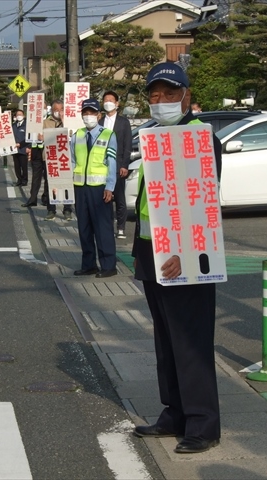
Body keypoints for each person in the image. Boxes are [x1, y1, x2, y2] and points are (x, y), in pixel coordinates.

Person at [131, 62, 223, 454]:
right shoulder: (150, 135)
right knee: (166, 339)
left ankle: (203, 424)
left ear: (186, 95)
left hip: (185, 256)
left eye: (170, 93)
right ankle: (174, 413)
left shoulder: (199, 137)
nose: (161, 101)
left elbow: (202, 204)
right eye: (154, 94)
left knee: (192, 341)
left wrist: (186, 254)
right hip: (152, 251)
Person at [71, 98, 118, 278]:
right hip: (80, 187)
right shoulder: (77, 135)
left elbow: (112, 162)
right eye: (85, 113)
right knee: (84, 228)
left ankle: (108, 265)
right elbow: (73, 160)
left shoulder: (108, 135)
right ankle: (89, 264)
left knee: (102, 227)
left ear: (99, 115)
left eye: (92, 113)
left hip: (100, 188)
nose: (88, 116)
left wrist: (110, 187)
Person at [99, 90, 132, 239]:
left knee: (119, 198)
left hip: (118, 166)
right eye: (105, 100)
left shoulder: (123, 122)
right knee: (105, 197)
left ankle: (121, 227)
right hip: (102, 166)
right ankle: (106, 226)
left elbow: (127, 145)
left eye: (111, 100)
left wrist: (125, 165)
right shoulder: (100, 122)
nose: (108, 103)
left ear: (117, 104)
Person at [41, 100, 73, 221]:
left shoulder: (68, 122)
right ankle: (51, 210)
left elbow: (70, 135)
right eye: (56, 110)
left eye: (61, 110)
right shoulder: (45, 122)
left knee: (66, 184)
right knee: (50, 184)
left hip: (65, 157)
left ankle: (67, 209)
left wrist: (64, 121)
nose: (58, 112)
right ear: (52, 110)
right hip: (50, 158)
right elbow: (39, 137)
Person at [11, 109, 29, 186]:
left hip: (23, 148)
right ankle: (19, 179)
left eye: (20, 114)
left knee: (24, 166)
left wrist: (27, 147)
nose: (19, 116)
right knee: (17, 166)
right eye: (17, 114)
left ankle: (25, 180)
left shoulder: (27, 125)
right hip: (15, 149)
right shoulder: (14, 125)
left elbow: (29, 138)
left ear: (23, 116)